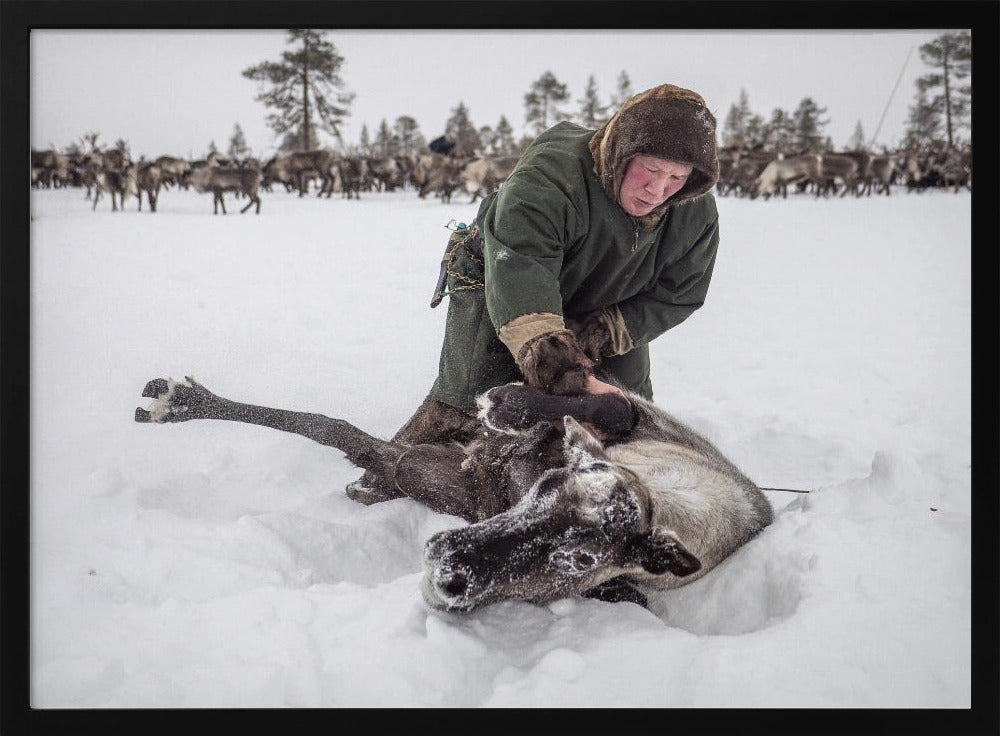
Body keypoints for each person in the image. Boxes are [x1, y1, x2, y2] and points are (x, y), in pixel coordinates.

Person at [348, 83, 720, 504]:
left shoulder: (694, 213)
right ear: (622, 152)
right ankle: (383, 474)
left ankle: (609, 490)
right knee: (471, 394)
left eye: (677, 177)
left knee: (626, 414)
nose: (659, 189)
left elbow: (680, 291)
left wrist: (605, 330)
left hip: (605, 304)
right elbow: (522, 264)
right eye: (650, 170)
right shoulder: (550, 178)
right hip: (504, 275)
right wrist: (564, 371)